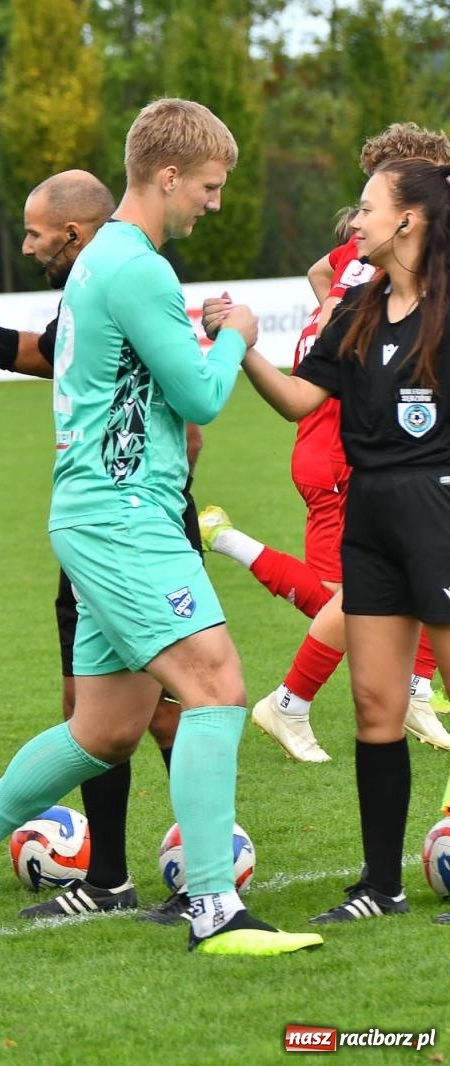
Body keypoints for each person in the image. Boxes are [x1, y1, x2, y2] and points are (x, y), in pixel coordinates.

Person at [0, 99, 322, 956]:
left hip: (99, 513)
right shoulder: (135, 269)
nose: (213, 202)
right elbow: (203, 397)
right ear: (167, 176)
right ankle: (215, 909)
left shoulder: (107, 266)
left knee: (106, 729)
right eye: (209, 186)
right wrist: (237, 335)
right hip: (126, 516)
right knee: (216, 687)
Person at [0, 170, 192, 923]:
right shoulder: (92, 285)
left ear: (73, 231)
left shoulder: (131, 279)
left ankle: (199, 881)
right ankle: (111, 879)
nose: (25, 246)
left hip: (134, 521)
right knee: (88, 710)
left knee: (179, 704)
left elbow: (189, 405)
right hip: (95, 524)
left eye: (33, 233)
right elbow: (49, 354)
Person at [233, 157, 450, 925]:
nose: (353, 222)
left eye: (365, 209)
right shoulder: (357, 302)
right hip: (370, 516)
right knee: (373, 706)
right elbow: (299, 400)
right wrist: (244, 345)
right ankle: (380, 885)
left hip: (440, 510)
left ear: (408, 222)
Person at [200, 124, 450, 761]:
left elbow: (322, 273)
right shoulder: (379, 276)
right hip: (351, 445)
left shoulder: (355, 265)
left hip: (348, 444)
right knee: (355, 596)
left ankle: (412, 689)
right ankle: (292, 701)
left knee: (385, 590)